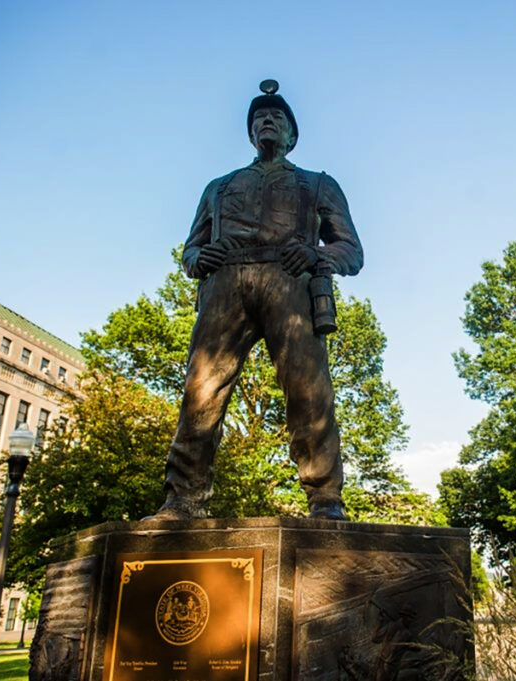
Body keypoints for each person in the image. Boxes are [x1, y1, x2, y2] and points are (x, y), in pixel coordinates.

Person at [148, 80, 362, 521]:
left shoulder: (318, 185)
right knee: (201, 392)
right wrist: (197, 257)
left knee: (309, 393)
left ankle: (325, 500)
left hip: (291, 283)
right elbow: (190, 251)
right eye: (260, 118)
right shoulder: (218, 188)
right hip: (225, 287)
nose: (268, 121)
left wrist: (317, 254)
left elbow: (352, 252)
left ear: (291, 135)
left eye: (277, 117)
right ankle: (182, 500)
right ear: (250, 134)